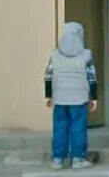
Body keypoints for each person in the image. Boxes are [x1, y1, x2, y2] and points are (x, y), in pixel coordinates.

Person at [43, 22, 99, 170]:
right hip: (79, 98)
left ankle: (58, 159)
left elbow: (48, 76)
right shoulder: (86, 55)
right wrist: (93, 97)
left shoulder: (54, 55)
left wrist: (48, 95)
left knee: (60, 127)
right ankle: (78, 158)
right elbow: (92, 77)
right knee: (78, 127)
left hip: (60, 98)